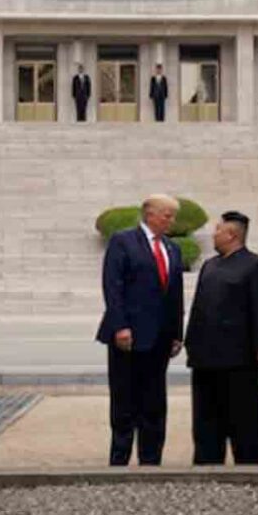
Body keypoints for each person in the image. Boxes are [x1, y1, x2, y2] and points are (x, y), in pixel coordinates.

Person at [96, 194, 185, 466]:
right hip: (129, 338)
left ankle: (151, 459)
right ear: (150, 214)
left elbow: (176, 294)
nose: (171, 220)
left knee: (154, 402)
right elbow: (113, 287)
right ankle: (119, 460)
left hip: (159, 339)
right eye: (167, 215)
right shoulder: (123, 241)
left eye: (173, 215)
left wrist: (177, 333)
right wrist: (120, 326)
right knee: (125, 401)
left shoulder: (172, 248)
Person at [185, 211, 258, 465]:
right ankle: (206, 462)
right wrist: (190, 343)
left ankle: (249, 465)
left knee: (243, 419)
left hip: (239, 358)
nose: (213, 235)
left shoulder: (256, 265)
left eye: (217, 230)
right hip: (205, 357)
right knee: (205, 418)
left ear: (232, 234)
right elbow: (198, 308)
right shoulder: (210, 265)